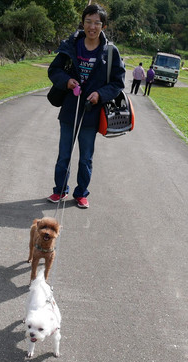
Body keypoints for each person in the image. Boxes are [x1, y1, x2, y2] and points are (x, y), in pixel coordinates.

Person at [47, 3, 125, 209]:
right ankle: (59, 190)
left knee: (85, 159)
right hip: (69, 111)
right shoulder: (70, 45)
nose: (92, 26)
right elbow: (54, 70)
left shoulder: (110, 52)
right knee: (64, 154)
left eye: (97, 23)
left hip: (91, 115)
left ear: (104, 26)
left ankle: (81, 193)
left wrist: (100, 94)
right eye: (88, 22)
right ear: (82, 24)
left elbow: (118, 82)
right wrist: (66, 81)